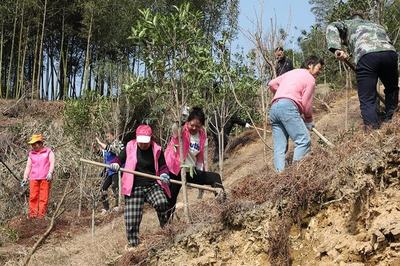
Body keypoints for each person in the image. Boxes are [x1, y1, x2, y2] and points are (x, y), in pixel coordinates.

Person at [326, 12, 399, 129]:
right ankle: (392, 121)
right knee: (392, 89)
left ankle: (373, 132)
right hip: (389, 53)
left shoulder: (347, 24)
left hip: (366, 55)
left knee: (367, 98)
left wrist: (336, 49)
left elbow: (332, 26)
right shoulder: (376, 25)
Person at [110, 124, 171, 250]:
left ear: (150, 139)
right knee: (131, 219)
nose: (143, 145)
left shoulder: (157, 149)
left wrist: (164, 173)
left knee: (162, 203)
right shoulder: (129, 146)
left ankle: (167, 231)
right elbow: (118, 159)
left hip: (152, 185)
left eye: (146, 142)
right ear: (136, 139)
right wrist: (115, 164)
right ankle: (134, 245)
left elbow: (163, 166)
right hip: (134, 187)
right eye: (141, 142)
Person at [165, 107, 225, 219]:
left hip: (190, 171)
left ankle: (224, 209)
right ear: (188, 122)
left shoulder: (202, 135)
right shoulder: (182, 131)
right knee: (170, 202)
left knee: (215, 177)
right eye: (192, 124)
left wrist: (200, 174)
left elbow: (201, 156)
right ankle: (167, 228)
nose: (194, 128)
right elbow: (174, 129)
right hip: (175, 170)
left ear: (202, 126)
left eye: (197, 126)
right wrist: (180, 120)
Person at [268, 56, 324, 172]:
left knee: (279, 148)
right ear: (310, 65)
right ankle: (295, 175)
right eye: (319, 67)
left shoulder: (291, 73)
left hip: (274, 108)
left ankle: (280, 177)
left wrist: (280, 93)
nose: (320, 71)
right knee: (303, 141)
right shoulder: (310, 79)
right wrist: (308, 120)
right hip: (288, 107)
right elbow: (306, 103)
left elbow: (271, 84)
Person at [22, 134, 55, 218]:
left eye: (35, 143)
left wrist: (50, 173)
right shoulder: (31, 154)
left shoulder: (48, 152)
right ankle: (33, 214)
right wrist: (25, 177)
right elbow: (28, 166)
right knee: (33, 196)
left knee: (43, 197)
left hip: (45, 178)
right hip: (33, 178)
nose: (33, 146)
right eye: (32, 144)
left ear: (40, 143)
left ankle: (41, 215)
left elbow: (52, 163)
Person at [94, 130, 124, 213]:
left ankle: (117, 205)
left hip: (116, 170)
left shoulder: (117, 143)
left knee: (115, 187)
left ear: (113, 135)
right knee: (102, 188)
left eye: (108, 136)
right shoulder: (108, 146)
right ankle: (106, 208)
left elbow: (112, 149)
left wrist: (99, 142)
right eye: (106, 137)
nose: (107, 138)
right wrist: (95, 148)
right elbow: (102, 153)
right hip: (108, 171)